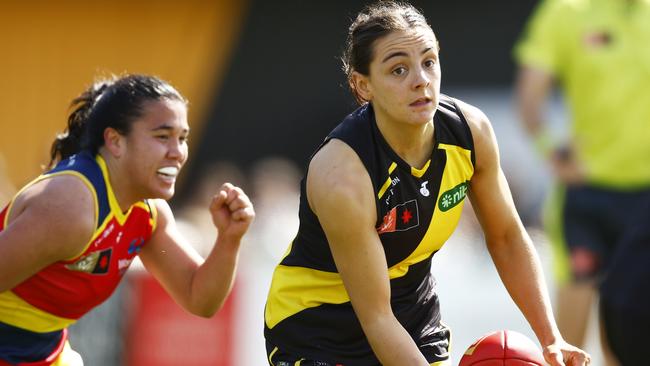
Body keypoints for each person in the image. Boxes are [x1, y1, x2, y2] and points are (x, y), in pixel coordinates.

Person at [263, 2, 590, 366]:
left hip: (410, 314)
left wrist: (551, 339)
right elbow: (375, 316)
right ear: (362, 85)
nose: (420, 79)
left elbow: (507, 239)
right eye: (398, 69)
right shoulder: (342, 176)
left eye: (429, 61)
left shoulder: (471, 133)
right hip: (317, 328)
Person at [0, 74, 255, 365]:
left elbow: (199, 298)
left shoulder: (149, 212)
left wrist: (229, 238)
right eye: (162, 137)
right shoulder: (74, 206)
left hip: (44, 352)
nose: (178, 153)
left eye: (182, 138)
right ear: (115, 141)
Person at [513, 0, 650, 363]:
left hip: (646, 201)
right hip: (586, 197)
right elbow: (529, 98)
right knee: (566, 343)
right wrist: (551, 151)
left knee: (628, 338)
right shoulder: (566, 11)